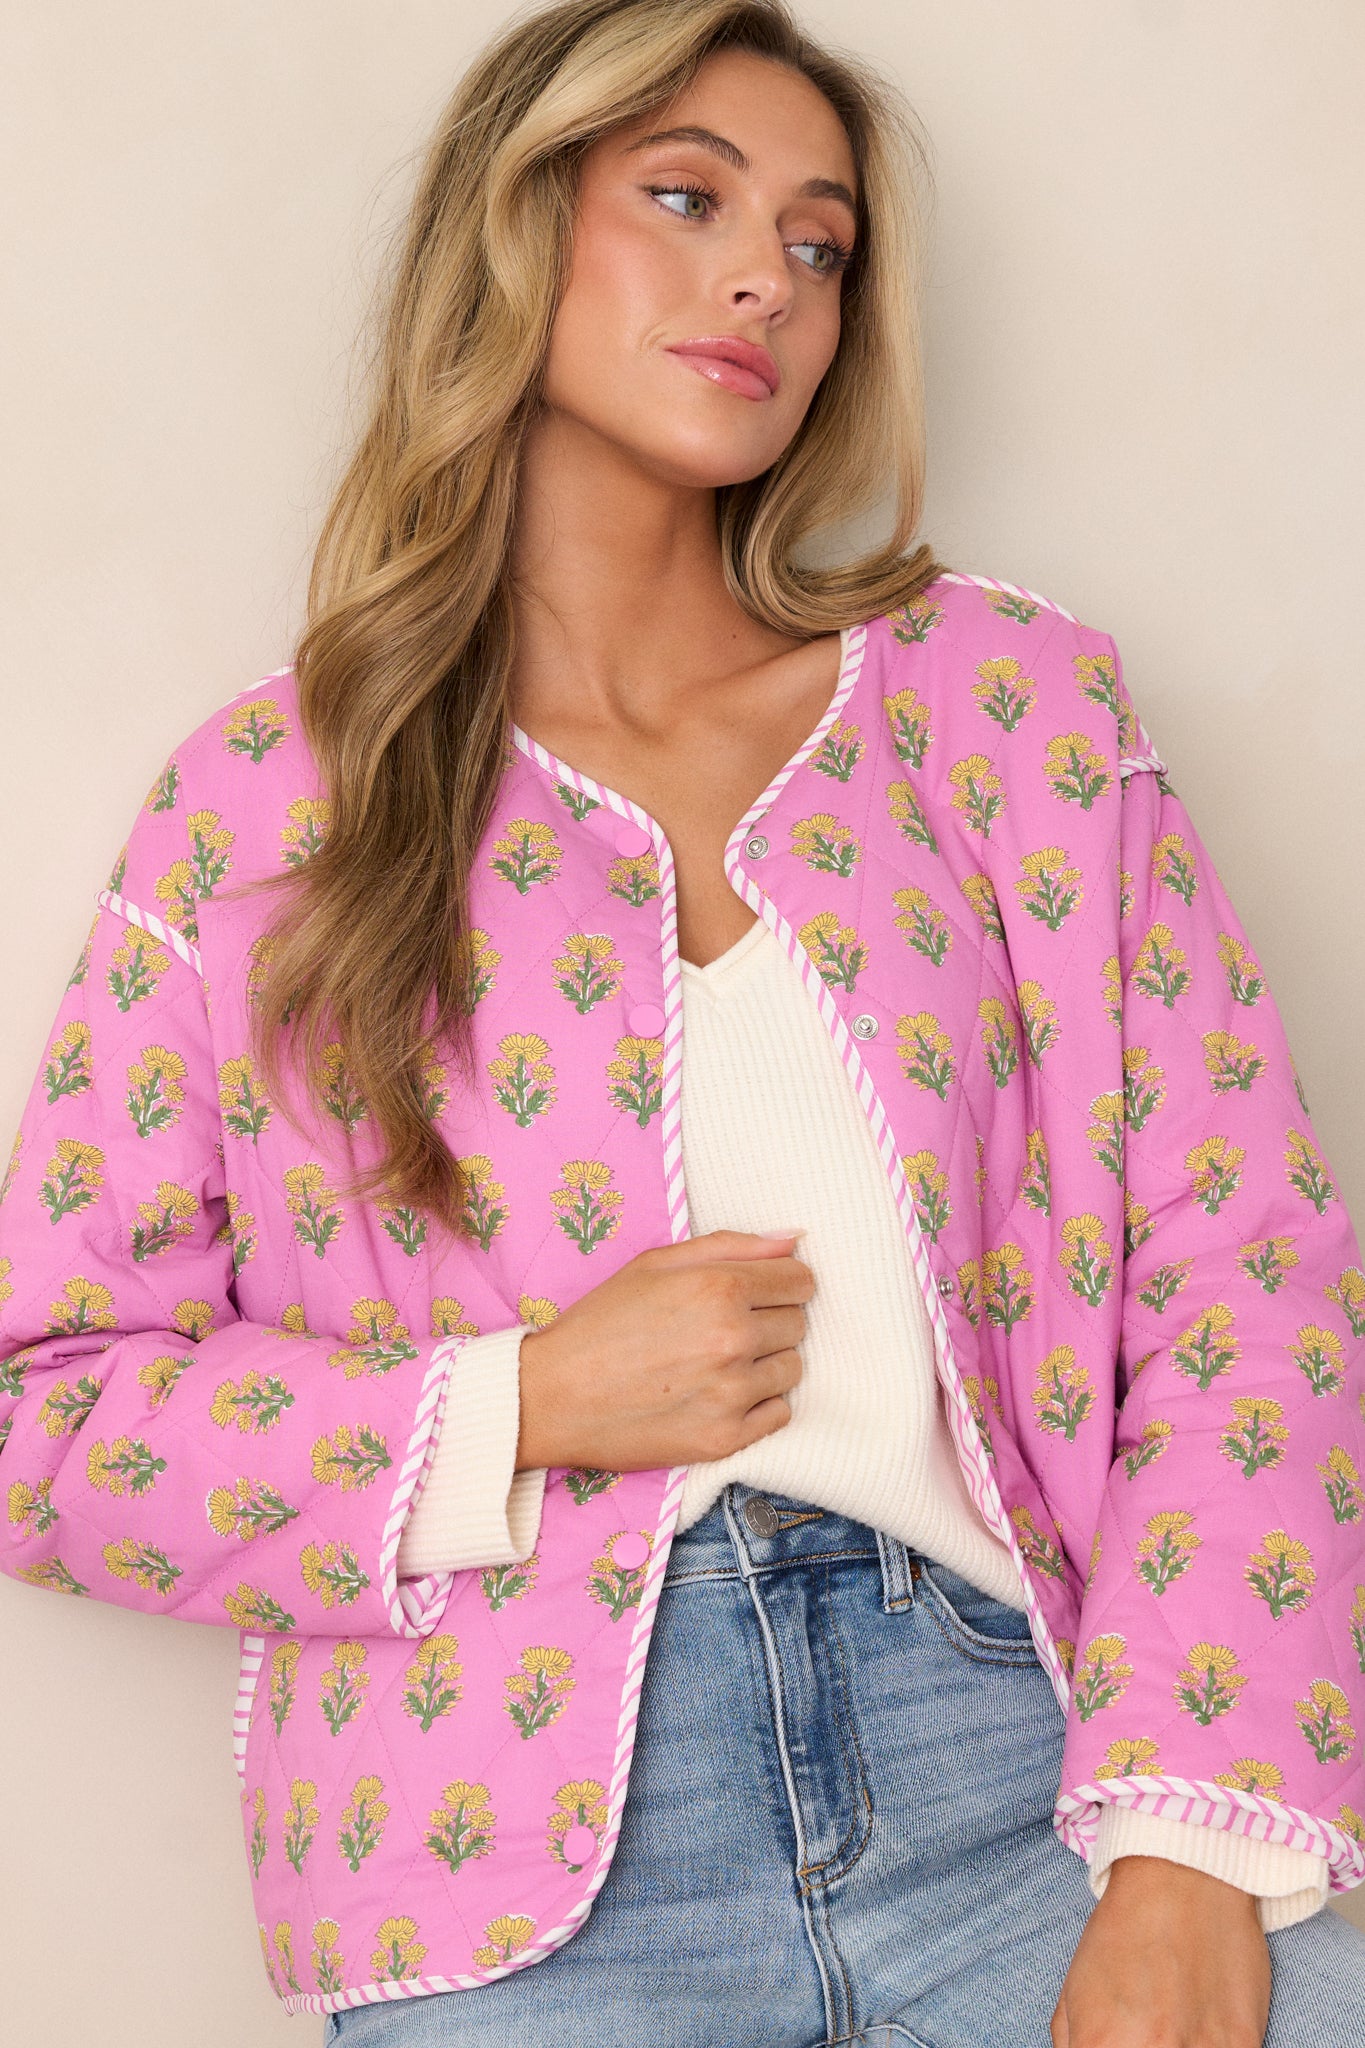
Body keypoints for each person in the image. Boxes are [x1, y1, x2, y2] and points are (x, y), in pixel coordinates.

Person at [2, 2, 1363, 2042]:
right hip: (502, 1869)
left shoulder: (1003, 711)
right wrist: (517, 1402)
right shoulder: (273, 808)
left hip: (1034, 1778)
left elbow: (1244, 1275)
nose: (766, 282)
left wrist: (1186, 1847)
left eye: (817, 245)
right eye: (685, 197)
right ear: (514, 225)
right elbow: (46, 1416)